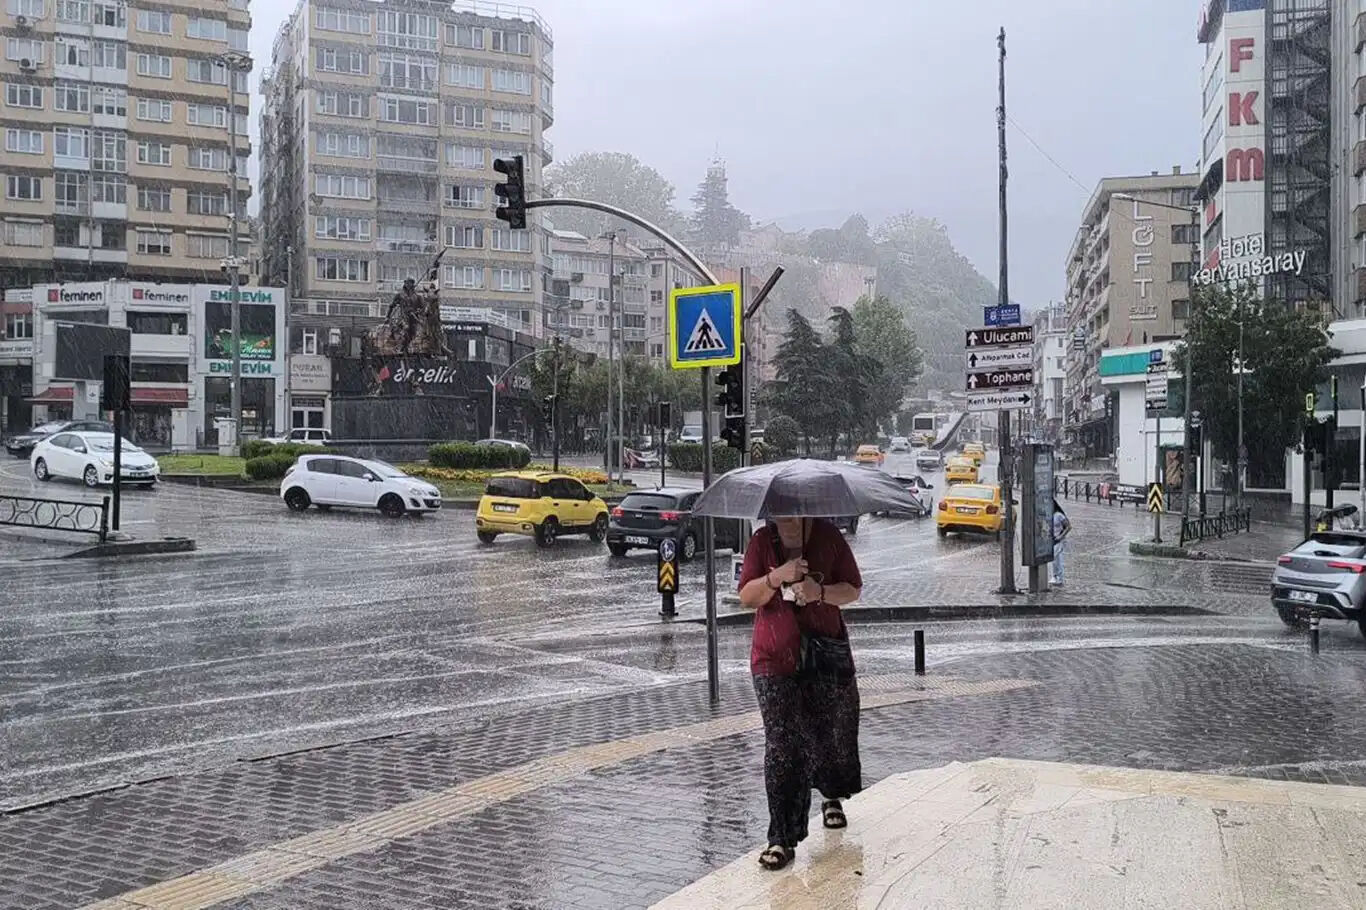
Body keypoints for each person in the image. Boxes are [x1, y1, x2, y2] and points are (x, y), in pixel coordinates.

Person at [737, 516, 864, 871]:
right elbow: (748, 596)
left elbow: (853, 589)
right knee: (782, 746)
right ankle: (781, 836)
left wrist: (819, 592)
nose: (788, 517)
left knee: (828, 732)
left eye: (795, 509)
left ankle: (831, 795)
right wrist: (777, 577)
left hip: (824, 654)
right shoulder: (762, 541)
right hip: (773, 660)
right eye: (781, 510)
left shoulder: (827, 536)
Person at [1051, 499, 1071, 586]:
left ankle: (1059, 577)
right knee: (1054, 559)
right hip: (1051, 539)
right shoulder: (1048, 515)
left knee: (1057, 558)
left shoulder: (1059, 515)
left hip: (1059, 539)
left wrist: (1061, 536)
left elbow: (1068, 526)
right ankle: (1055, 576)